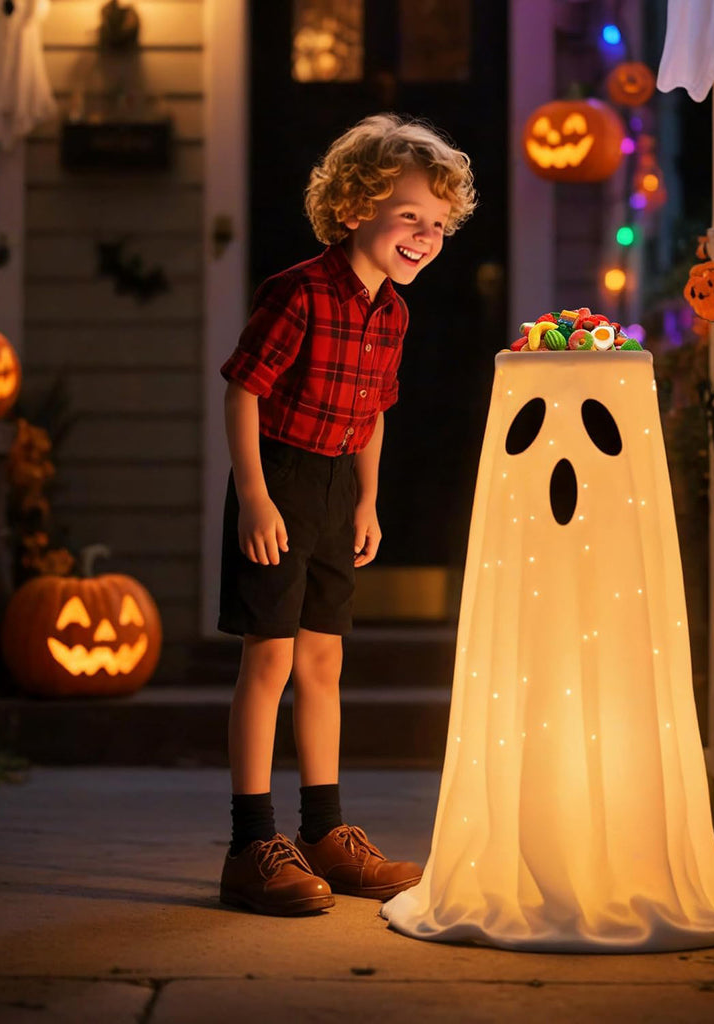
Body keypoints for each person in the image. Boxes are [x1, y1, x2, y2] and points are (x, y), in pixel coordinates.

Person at [216, 114, 476, 916]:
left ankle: (325, 832)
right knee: (270, 660)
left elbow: (375, 411)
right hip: (282, 480)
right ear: (356, 206)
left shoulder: (392, 313)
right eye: (409, 217)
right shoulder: (298, 293)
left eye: (437, 224)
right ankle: (252, 843)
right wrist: (256, 496)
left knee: (323, 662)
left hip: (336, 489)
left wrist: (367, 498)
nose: (425, 236)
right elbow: (245, 391)